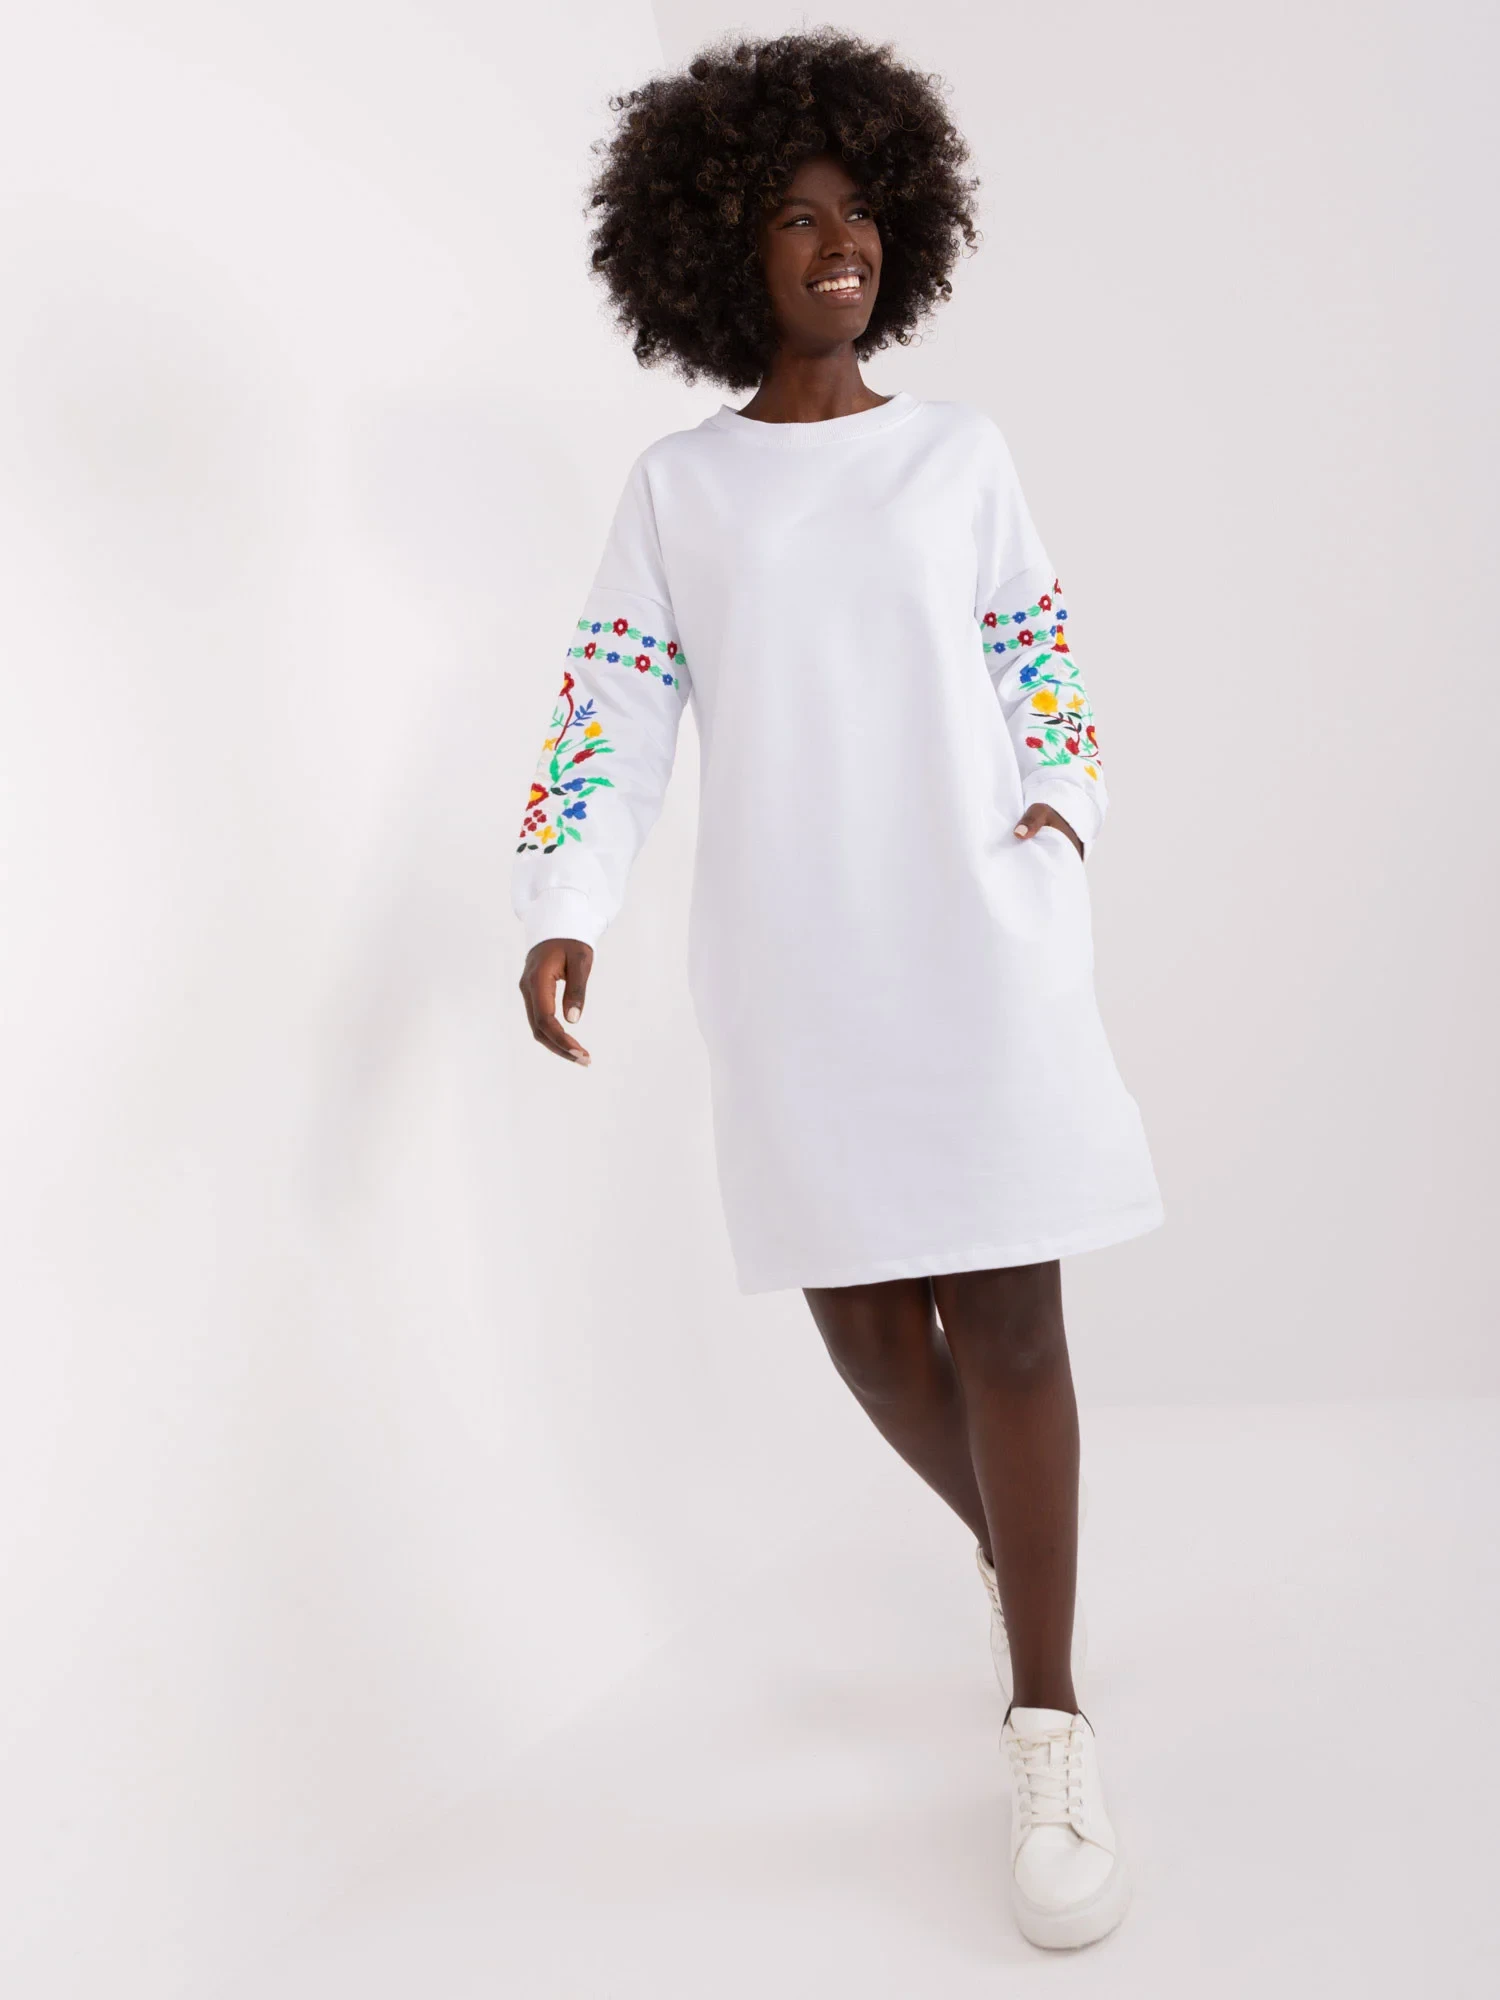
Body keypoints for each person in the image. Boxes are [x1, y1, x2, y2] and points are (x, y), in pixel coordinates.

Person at [513, 29, 1163, 1952]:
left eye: (860, 210)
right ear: (720, 250)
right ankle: (1019, 1550)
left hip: (974, 940)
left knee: (1014, 1322)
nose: (838, 243)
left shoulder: (960, 455)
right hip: (796, 967)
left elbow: (1044, 656)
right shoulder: (682, 490)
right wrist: (566, 896)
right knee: (874, 1336)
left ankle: (1047, 1716)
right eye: (794, 218)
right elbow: (610, 710)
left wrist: (1059, 812)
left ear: (907, 231)